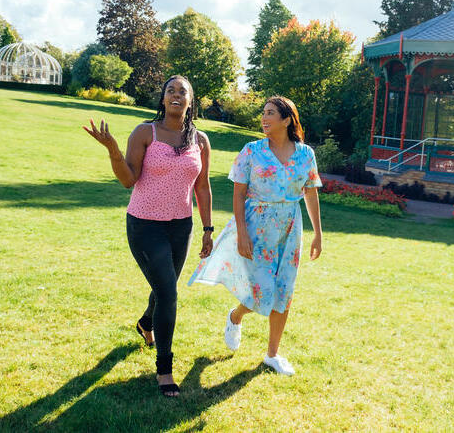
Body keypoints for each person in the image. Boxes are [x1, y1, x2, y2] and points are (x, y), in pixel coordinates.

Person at [83, 75, 213, 397]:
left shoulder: (201, 141)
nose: (176, 95)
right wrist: (113, 150)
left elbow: (202, 186)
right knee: (168, 292)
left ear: (190, 101)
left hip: (181, 226)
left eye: (183, 91)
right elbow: (128, 179)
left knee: (163, 286)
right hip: (144, 225)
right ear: (163, 98)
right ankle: (165, 369)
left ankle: (145, 323)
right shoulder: (146, 133)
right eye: (170, 90)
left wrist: (208, 230)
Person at [188, 96, 322, 376]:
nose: (264, 118)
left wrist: (317, 233)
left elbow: (310, 191)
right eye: (263, 113)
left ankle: (272, 354)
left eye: (270, 113)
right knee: (263, 292)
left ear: (286, 120)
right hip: (255, 225)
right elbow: (238, 194)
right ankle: (235, 316)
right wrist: (242, 234)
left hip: (290, 228)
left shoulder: (305, 154)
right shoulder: (251, 151)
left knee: (284, 292)